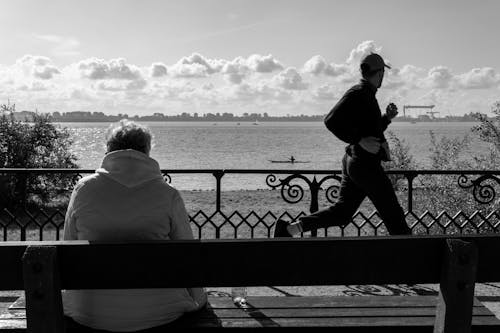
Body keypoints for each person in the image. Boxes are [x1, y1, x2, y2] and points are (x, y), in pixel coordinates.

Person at [62, 119, 207, 332]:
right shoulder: (167, 194)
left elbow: (69, 244)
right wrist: (198, 298)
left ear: (109, 149)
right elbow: (187, 255)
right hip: (162, 314)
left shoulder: (84, 190)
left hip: (90, 313)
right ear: (147, 151)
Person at [274, 53, 411, 238]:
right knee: (393, 214)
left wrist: (386, 118)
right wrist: (358, 140)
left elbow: (370, 131)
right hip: (365, 166)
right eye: (383, 74)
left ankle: (288, 229)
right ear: (379, 74)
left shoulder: (367, 94)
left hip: (355, 162)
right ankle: (412, 256)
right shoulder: (359, 93)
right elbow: (330, 121)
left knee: (342, 214)